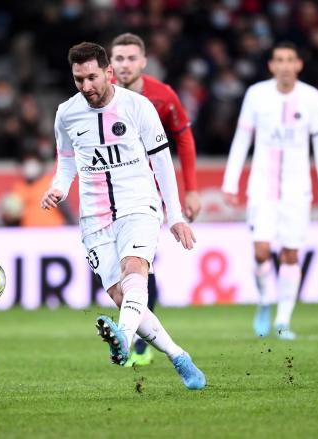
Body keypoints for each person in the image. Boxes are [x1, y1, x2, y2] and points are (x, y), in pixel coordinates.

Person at [41, 42, 205, 390]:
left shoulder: (138, 107)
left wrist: (174, 214)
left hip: (139, 205)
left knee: (136, 271)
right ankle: (178, 356)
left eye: (92, 77)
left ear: (108, 72)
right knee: (122, 296)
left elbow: (162, 161)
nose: (86, 87)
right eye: (79, 79)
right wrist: (59, 187)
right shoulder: (66, 114)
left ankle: (124, 338)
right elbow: (67, 159)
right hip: (95, 216)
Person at [222, 42, 318, 340]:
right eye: (279, 60)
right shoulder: (257, 94)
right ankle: (263, 300)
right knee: (261, 251)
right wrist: (231, 183)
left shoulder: (312, 98)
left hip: (297, 189)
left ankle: (283, 320)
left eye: (290, 60)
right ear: (271, 66)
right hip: (262, 185)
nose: (285, 65)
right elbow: (242, 139)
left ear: (299, 65)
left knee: (291, 254)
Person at [110, 32, 200, 367]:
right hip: (112, 195)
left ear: (144, 62)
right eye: (118, 58)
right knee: (126, 273)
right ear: (110, 63)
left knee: (142, 266)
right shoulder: (99, 96)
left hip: (150, 194)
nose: (124, 65)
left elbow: (184, 139)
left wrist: (189, 189)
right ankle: (143, 335)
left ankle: (141, 343)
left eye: (131, 58)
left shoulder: (162, 97)